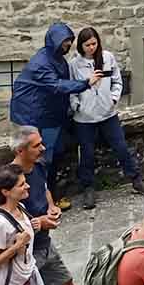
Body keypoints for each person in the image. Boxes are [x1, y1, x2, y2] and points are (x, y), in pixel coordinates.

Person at [6, 126, 109, 285]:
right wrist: (41, 222)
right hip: (24, 252)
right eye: (37, 146)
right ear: (20, 151)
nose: (43, 148)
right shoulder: (9, 180)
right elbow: (9, 222)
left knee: (64, 280)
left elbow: (45, 190)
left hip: (43, 243)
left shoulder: (39, 165)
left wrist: (52, 207)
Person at [66, 28, 144, 210]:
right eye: (87, 45)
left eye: (94, 43)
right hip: (84, 118)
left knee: (121, 147)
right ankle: (89, 188)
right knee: (87, 154)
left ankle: (136, 180)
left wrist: (114, 99)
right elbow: (71, 88)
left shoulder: (107, 58)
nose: (92, 47)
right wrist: (77, 106)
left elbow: (117, 80)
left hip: (108, 114)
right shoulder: (74, 64)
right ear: (81, 46)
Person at [8, 22, 98, 200]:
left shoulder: (56, 58)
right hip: (33, 116)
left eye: (70, 41)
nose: (69, 45)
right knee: (40, 159)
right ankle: (37, 200)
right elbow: (56, 86)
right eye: (66, 41)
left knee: (56, 153)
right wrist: (85, 83)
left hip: (49, 115)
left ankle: (51, 195)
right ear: (55, 41)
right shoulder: (42, 63)